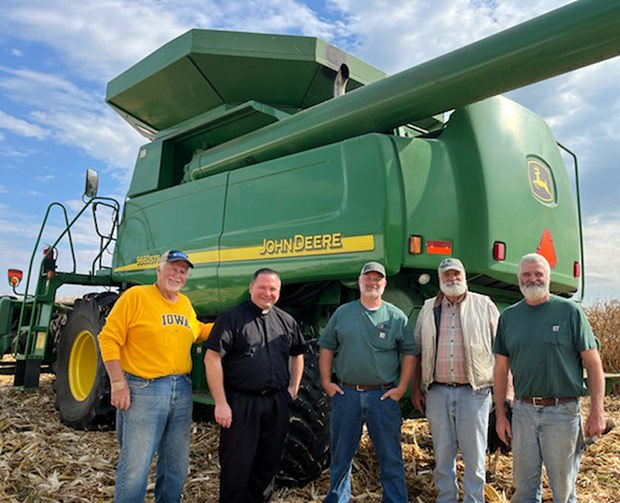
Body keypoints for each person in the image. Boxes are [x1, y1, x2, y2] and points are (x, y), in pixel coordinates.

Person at [98, 249, 213, 503]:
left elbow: (197, 331)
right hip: (144, 389)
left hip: (181, 390)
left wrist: (233, 323)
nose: (178, 274)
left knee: (176, 465)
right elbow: (108, 338)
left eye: (183, 271)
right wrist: (118, 383)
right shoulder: (136, 297)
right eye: (173, 268)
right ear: (158, 270)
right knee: (135, 467)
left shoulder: (184, 303)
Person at [493, 253, 606, 503]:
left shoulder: (569, 311)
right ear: (518, 279)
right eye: (526, 275)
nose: (532, 279)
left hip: (562, 412)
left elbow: (594, 363)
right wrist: (501, 415)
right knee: (523, 489)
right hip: (523, 411)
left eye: (538, 274)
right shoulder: (509, 317)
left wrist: (597, 411)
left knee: (563, 492)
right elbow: (501, 370)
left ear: (548, 277)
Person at [204, 268, 306, 503]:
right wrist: (221, 403)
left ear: (279, 292)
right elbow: (212, 358)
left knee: (267, 465)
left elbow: (297, 353)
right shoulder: (231, 318)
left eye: (273, 289)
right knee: (236, 467)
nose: (267, 293)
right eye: (262, 287)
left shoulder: (286, 320)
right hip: (241, 404)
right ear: (251, 287)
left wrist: (294, 386)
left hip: (276, 403)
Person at [319, 261, 417, 503]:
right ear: (359, 282)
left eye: (378, 279)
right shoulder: (344, 313)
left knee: (390, 456)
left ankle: (395, 500)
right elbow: (326, 347)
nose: (372, 283)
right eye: (368, 278)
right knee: (341, 456)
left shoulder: (396, 316)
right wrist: (326, 382)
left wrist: (402, 387)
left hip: (382, 397)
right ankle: (337, 499)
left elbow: (410, 353)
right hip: (347, 394)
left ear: (384, 284)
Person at [411, 257, 501, 503]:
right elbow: (417, 352)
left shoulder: (484, 305)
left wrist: (507, 390)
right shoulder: (429, 308)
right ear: (440, 281)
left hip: (474, 392)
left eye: (456, 274)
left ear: (464, 276)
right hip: (437, 392)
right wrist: (416, 389)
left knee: (474, 457)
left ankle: (474, 499)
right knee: (442, 455)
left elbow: (502, 350)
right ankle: (446, 498)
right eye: (447, 275)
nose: (452, 279)